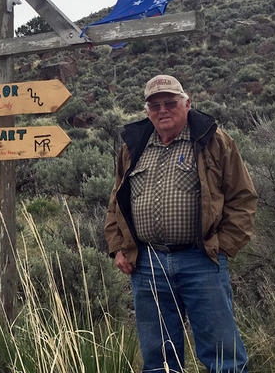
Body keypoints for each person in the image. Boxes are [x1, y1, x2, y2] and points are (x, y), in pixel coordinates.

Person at [104, 74, 257, 373]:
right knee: (159, 357)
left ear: (186, 104)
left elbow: (243, 197)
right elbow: (116, 202)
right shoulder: (134, 146)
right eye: (155, 105)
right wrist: (117, 247)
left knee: (222, 352)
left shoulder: (213, 141)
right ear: (147, 110)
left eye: (170, 103)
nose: (163, 110)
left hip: (201, 261)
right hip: (148, 264)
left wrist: (222, 246)